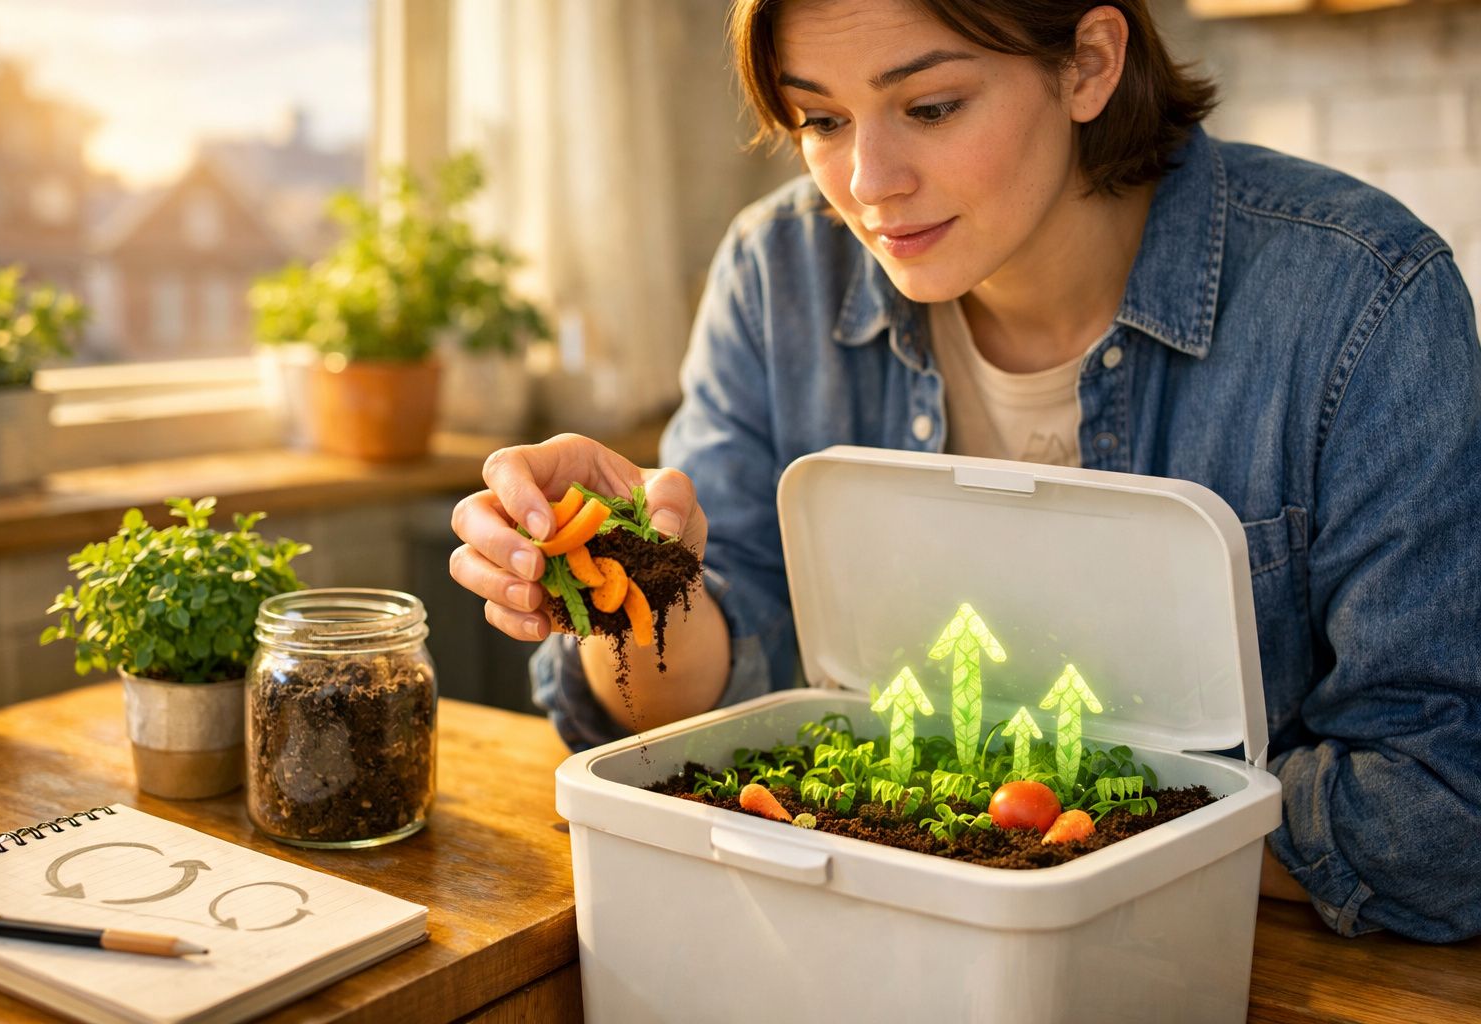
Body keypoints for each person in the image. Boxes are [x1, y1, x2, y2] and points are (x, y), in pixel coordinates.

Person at [449, 0, 1481, 942]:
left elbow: (1443, 814)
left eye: (931, 107)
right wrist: (629, 578)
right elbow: (693, 724)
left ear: (1087, 64)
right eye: (822, 120)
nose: (867, 185)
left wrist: (1025, 857)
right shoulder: (779, 280)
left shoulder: (1361, 300)